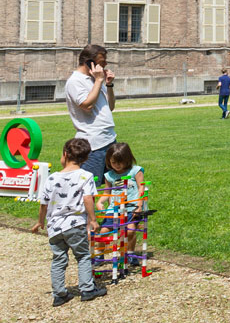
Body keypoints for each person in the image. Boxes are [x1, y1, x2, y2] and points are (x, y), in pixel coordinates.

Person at [30, 138, 106, 305]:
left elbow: (44, 203)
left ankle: (59, 294)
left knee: (58, 259)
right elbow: (88, 199)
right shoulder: (86, 176)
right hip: (75, 225)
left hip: (55, 227)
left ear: (64, 154)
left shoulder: (52, 178)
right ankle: (87, 289)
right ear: (85, 159)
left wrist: (40, 222)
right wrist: (93, 220)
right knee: (83, 256)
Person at [64, 44, 117, 179]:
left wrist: (108, 84)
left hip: (109, 138)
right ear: (89, 62)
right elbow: (86, 105)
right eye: (101, 62)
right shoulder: (75, 81)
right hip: (93, 144)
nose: (105, 65)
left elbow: (110, 107)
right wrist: (99, 80)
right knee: (89, 184)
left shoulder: (95, 79)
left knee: (113, 184)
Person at [100, 142, 145, 211]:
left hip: (133, 208)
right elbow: (107, 193)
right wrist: (100, 202)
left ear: (127, 159)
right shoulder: (109, 175)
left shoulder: (136, 171)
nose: (117, 165)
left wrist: (139, 205)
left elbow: (141, 188)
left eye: (120, 162)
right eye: (113, 162)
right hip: (115, 209)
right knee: (108, 222)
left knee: (130, 222)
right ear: (109, 161)